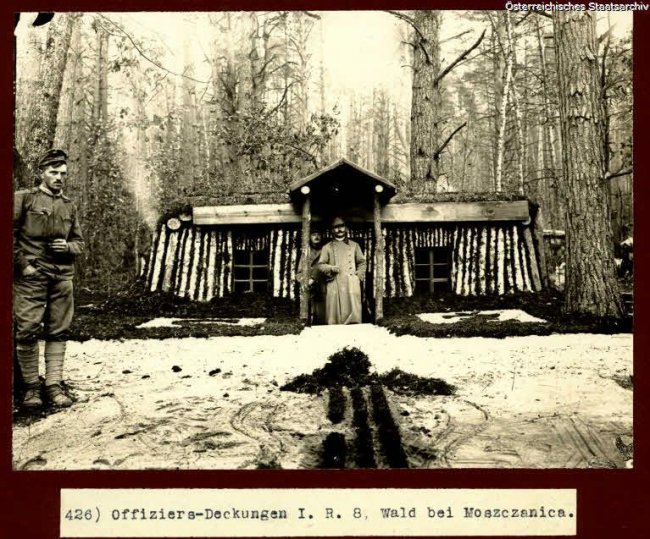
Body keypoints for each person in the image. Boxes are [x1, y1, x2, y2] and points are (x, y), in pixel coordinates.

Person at [13, 149, 84, 408]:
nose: (59, 178)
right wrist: (23, 266)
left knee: (59, 330)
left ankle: (54, 385)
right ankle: (31, 388)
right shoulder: (24, 199)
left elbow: (79, 243)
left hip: (62, 277)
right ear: (41, 173)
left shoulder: (69, 205)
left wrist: (67, 247)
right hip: (31, 277)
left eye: (63, 174)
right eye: (53, 172)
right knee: (27, 330)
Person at [318, 217, 367, 325]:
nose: (339, 229)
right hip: (335, 282)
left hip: (351, 283)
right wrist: (331, 268)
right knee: (334, 319)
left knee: (353, 316)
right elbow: (320, 265)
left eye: (341, 226)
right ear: (332, 230)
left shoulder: (354, 245)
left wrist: (358, 276)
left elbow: (362, 262)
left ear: (346, 228)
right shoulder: (327, 247)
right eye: (336, 227)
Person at [296, 227, 325, 324]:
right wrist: (303, 281)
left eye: (319, 234)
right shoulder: (305, 252)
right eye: (313, 235)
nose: (316, 237)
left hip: (323, 285)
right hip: (309, 287)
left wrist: (315, 278)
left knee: (323, 316)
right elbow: (299, 273)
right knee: (308, 316)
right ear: (309, 237)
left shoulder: (326, 250)